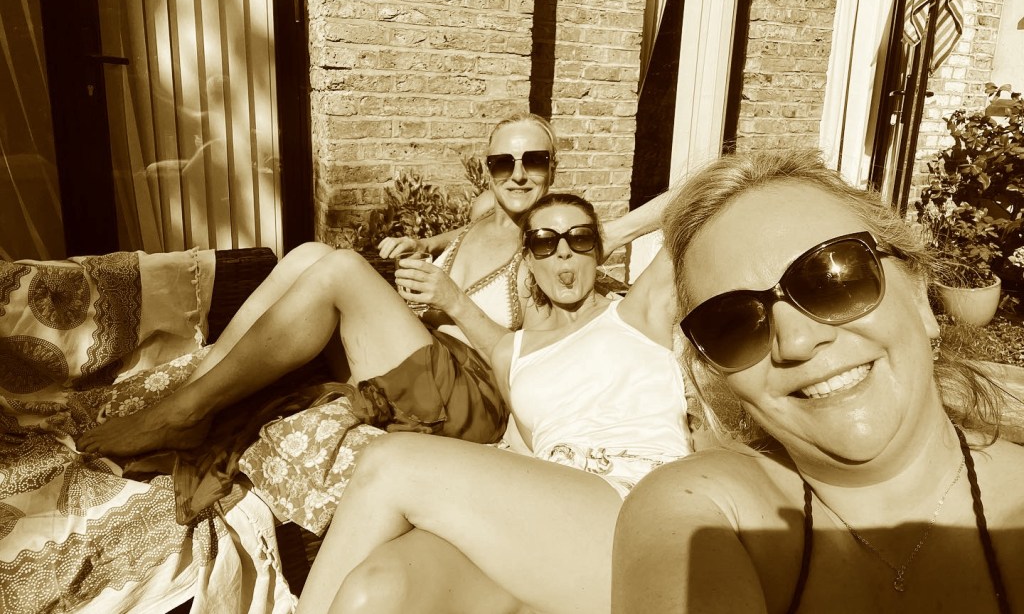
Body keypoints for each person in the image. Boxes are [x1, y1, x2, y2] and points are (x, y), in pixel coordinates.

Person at [78, 113, 664, 456]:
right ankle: (201, 383)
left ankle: (184, 412)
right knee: (309, 253)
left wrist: (453, 300)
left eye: (533, 161)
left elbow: (532, 362)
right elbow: (467, 234)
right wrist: (427, 247)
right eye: (502, 163)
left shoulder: (555, 243)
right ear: (485, 171)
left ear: (552, 167)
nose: (517, 174)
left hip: (472, 397)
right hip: (424, 361)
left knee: (340, 268)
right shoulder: (488, 210)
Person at [612, 149, 1024, 614]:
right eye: (733, 323)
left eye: (833, 279)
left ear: (919, 297)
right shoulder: (705, 514)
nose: (796, 341)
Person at [296, 192, 692, 614]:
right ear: (527, 259)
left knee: (390, 462)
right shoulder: (511, 353)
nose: (563, 252)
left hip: (635, 505)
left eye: (579, 238)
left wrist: (615, 232)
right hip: (546, 524)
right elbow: (521, 448)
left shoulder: (638, 314)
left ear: (597, 249)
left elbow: (706, 198)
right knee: (375, 588)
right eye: (545, 242)